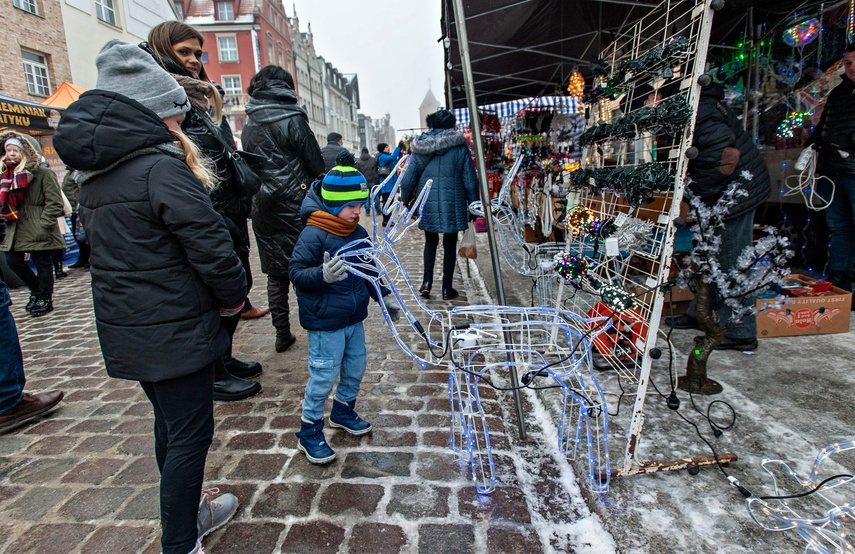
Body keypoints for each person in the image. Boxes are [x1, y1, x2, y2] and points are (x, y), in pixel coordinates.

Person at [53, 39, 245, 554]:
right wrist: (233, 298)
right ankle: (181, 541)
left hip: (130, 328)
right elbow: (211, 246)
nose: (182, 126)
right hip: (174, 326)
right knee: (190, 437)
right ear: (159, 115)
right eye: (178, 117)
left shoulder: (93, 177)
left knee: (170, 425)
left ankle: (192, 512)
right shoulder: (160, 168)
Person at [144, 21, 262, 400]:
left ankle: (223, 360)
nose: (194, 60)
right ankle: (212, 372)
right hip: (204, 207)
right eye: (184, 53)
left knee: (235, 288)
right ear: (164, 50)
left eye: (198, 53)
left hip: (227, 207)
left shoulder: (201, 96)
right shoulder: (165, 96)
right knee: (212, 295)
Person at [289, 151, 400, 464]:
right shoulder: (314, 233)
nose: (357, 211)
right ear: (335, 204)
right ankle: (309, 433)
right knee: (323, 377)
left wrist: (384, 296)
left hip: (353, 318)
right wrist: (321, 276)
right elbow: (296, 272)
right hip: (325, 322)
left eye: (360, 205)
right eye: (351, 206)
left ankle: (342, 411)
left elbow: (371, 271)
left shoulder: (358, 233)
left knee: (355, 368)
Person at [666, 82, 771, 351]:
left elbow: (723, 155)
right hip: (722, 192)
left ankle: (740, 330)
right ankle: (699, 312)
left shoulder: (700, 110)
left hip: (737, 192)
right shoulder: (695, 110)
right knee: (706, 253)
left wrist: (699, 192)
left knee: (731, 258)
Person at [241, 65, 325, 353]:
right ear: (286, 87)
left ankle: (282, 334)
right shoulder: (293, 118)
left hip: (263, 205)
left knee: (276, 274)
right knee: (304, 267)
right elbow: (315, 163)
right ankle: (314, 327)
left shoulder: (249, 121)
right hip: (296, 204)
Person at [399, 109, 479, 300]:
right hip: (454, 201)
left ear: (431, 125)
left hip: (428, 201)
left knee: (430, 240)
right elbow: (469, 179)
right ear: (452, 125)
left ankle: (426, 282)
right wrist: (474, 204)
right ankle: (446, 288)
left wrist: (405, 200)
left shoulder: (420, 147)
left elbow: (408, 179)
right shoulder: (460, 146)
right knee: (450, 243)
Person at [0, 214, 64, 433]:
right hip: (24, 228)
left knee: (42, 262)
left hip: (32, 227)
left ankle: (42, 296)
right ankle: (7, 400)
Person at [807, 43, 855, 301]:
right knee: (838, 227)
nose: (852, 67)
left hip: (852, 170)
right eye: (847, 63)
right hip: (832, 171)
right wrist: (814, 141)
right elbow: (825, 124)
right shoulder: (837, 93)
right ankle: (840, 278)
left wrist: (849, 140)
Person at [0, 132, 66, 316]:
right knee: (12, 260)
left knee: (42, 262)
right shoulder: (5, 175)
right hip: (15, 226)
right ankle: (36, 289)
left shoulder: (43, 173)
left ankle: (45, 297)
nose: (11, 154)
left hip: (37, 223)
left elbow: (55, 202)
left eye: (16, 150)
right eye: (8, 150)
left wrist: (43, 224)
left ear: (26, 151)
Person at [63, 166, 90, 270]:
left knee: (84, 236)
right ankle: (82, 258)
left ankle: (88, 260)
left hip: (78, 207)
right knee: (77, 235)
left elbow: (80, 188)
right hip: (72, 209)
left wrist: (79, 205)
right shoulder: (69, 173)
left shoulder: (78, 172)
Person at [376, 141, 405, 226]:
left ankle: (387, 220)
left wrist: (400, 151)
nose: (388, 148)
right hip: (386, 183)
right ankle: (386, 220)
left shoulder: (387, 156)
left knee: (390, 201)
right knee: (387, 202)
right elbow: (392, 158)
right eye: (386, 147)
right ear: (382, 149)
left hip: (391, 182)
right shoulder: (382, 157)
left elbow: (397, 160)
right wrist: (398, 147)